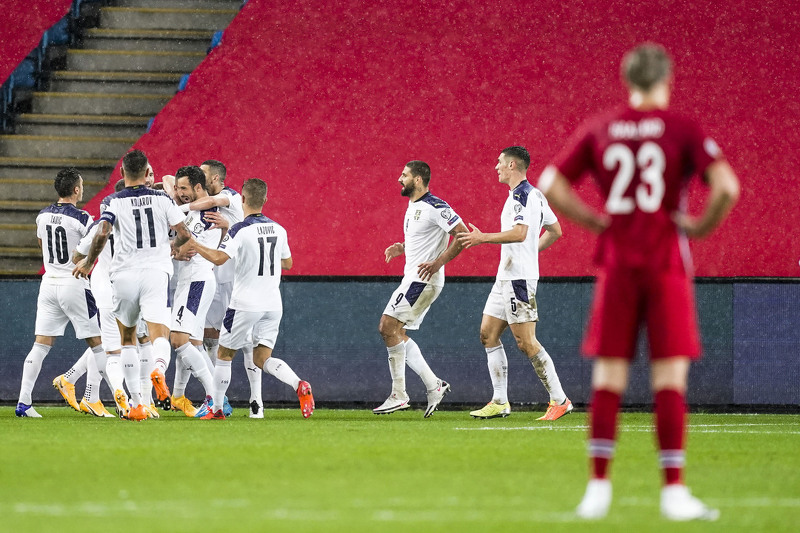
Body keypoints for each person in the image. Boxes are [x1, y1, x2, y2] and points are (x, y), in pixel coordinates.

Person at [537, 44, 740, 521]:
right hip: (666, 261)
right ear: (667, 79)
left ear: (626, 80)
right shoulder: (682, 128)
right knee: (669, 378)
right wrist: (699, 226)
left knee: (609, 377)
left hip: (618, 261)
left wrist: (596, 220)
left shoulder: (602, 127)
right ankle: (673, 492)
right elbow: (728, 186)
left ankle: (598, 490)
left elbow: (550, 183)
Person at [73, 150, 192, 422]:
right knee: (157, 334)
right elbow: (185, 233)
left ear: (122, 173)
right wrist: (172, 247)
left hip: (124, 276)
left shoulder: (112, 201)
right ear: (146, 171)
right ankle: (159, 371)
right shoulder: (161, 198)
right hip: (155, 273)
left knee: (126, 340)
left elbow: (103, 232)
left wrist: (90, 261)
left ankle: (137, 403)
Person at [457, 146, 571, 420]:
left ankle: (560, 400)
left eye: (499, 162)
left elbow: (520, 234)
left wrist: (483, 237)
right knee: (488, 334)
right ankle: (499, 402)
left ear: (511, 165)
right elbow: (555, 231)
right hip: (506, 277)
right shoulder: (534, 195)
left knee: (526, 342)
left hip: (518, 279)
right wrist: (532, 252)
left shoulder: (522, 196)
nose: (495, 167)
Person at [188, 178, 314, 419]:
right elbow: (288, 262)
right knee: (261, 358)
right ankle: (298, 383)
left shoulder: (239, 230)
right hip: (273, 305)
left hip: (244, 304)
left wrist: (193, 242)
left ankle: (216, 410)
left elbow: (218, 258)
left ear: (243, 199)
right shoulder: (279, 229)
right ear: (265, 200)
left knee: (224, 356)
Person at [374, 160, 468, 417]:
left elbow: (463, 234)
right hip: (413, 278)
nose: (399, 178)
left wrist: (438, 263)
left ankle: (399, 394)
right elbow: (424, 239)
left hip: (423, 280)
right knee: (397, 333)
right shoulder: (413, 205)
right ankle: (433, 385)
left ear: (418, 180)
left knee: (386, 326)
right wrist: (402, 248)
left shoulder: (436, 206)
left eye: (403, 175)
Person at [16, 168, 105, 418]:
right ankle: (124, 399)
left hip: (48, 283)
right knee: (100, 345)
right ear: (76, 189)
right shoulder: (82, 218)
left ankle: (24, 403)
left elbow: (42, 245)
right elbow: (95, 243)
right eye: (82, 185)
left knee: (40, 346)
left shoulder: (42, 216)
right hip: (73, 281)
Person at [181, 160, 244, 417]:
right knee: (201, 337)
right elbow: (167, 179)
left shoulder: (231, 197)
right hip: (211, 275)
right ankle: (214, 398)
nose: (200, 179)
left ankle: (253, 403)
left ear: (216, 178)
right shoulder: (203, 208)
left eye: (204, 175)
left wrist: (180, 208)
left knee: (241, 342)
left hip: (230, 277)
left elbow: (209, 202)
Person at [168, 166, 221, 418]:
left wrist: (176, 248)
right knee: (192, 343)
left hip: (196, 282)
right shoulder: (194, 213)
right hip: (190, 282)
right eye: (178, 188)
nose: (180, 193)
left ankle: (214, 399)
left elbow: (185, 247)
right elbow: (180, 247)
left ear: (199, 188)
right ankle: (212, 399)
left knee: (179, 340)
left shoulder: (207, 214)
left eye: (185, 188)